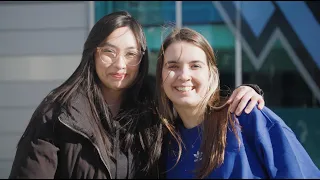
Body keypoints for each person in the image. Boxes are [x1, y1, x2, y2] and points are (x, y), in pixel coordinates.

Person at [8, 11, 265, 179]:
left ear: (142, 59)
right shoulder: (58, 114)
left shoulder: (155, 111)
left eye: (131, 54)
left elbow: (196, 105)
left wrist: (249, 92)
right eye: (109, 52)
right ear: (92, 53)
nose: (120, 64)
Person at [156, 27, 320, 179]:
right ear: (160, 76)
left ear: (211, 74)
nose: (184, 75)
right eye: (173, 66)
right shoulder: (163, 144)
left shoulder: (247, 115)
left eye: (195, 66)